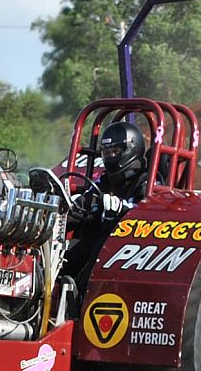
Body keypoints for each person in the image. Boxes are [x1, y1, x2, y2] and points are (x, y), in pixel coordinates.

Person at [61, 121, 150, 294]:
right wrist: (64, 208)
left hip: (127, 245)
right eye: (107, 152)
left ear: (131, 149)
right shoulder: (104, 180)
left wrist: (121, 207)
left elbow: (147, 213)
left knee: (97, 251)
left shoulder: (145, 181)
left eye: (116, 151)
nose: (111, 156)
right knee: (66, 256)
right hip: (98, 238)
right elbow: (84, 203)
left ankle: (77, 297)